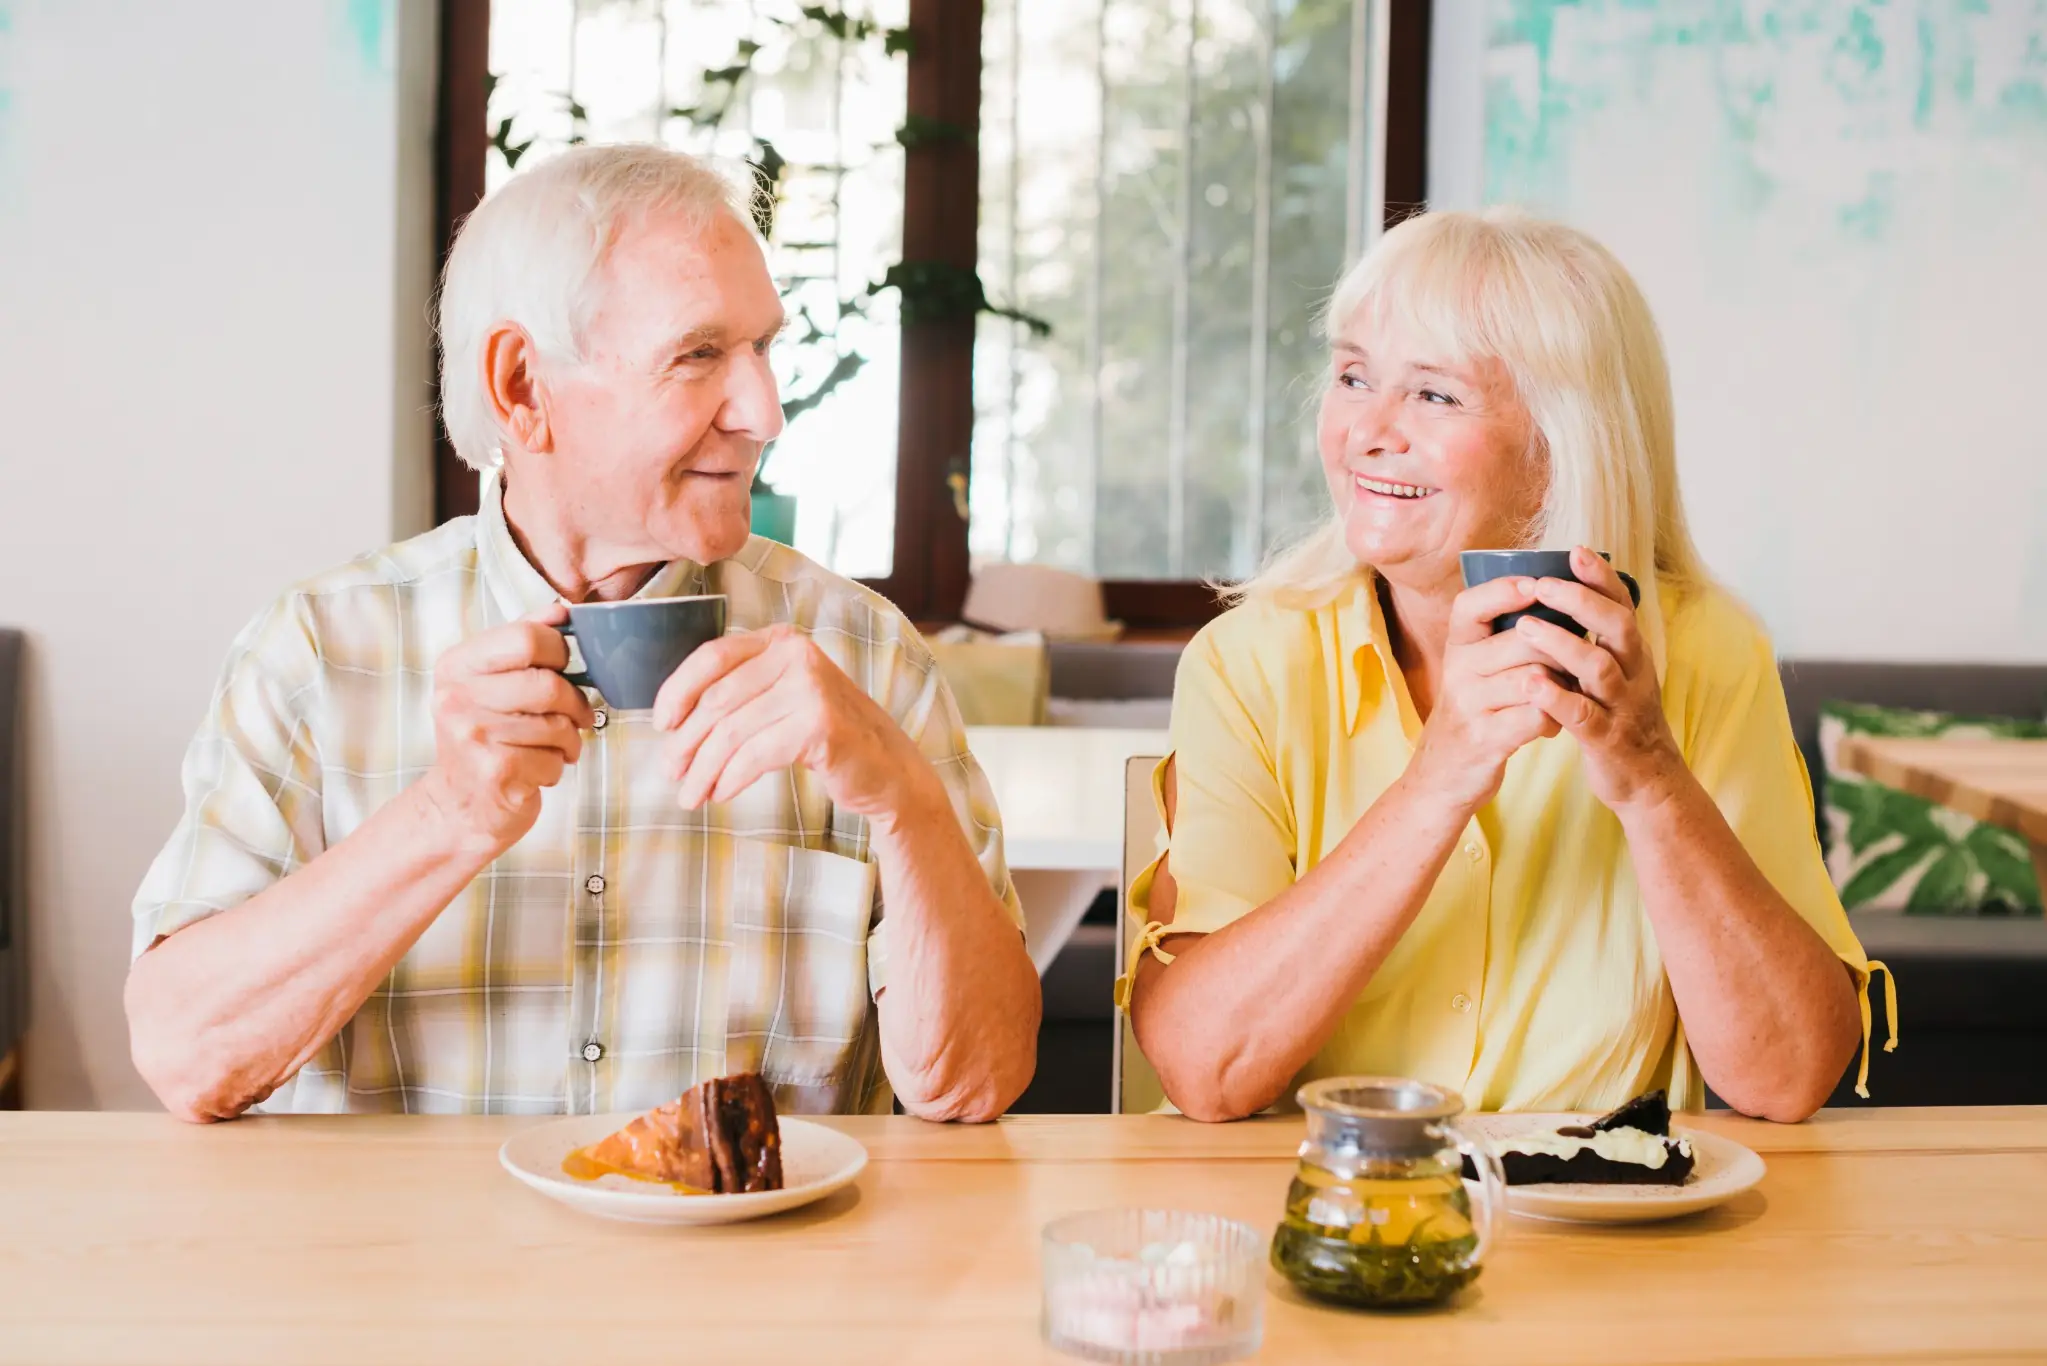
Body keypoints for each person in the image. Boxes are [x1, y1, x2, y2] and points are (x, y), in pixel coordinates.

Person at [126, 144, 1040, 1122]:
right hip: (402, 1276)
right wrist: (447, 814)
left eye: (763, 348)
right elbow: (186, 1057)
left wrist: (903, 801)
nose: (764, 411)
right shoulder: (315, 655)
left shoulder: (866, 657)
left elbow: (976, 1082)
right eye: (697, 355)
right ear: (522, 386)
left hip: (765, 1275)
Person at [1123, 210, 1893, 1124]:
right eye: (1353, 376)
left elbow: (1786, 1076)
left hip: (1607, 1241)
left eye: (1433, 396)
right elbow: (1208, 1072)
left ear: (1559, 445)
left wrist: (1651, 780)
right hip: (1323, 1226)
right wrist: (1439, 780)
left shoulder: (1705, 653)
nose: (1367, 431)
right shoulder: (1250, 662)